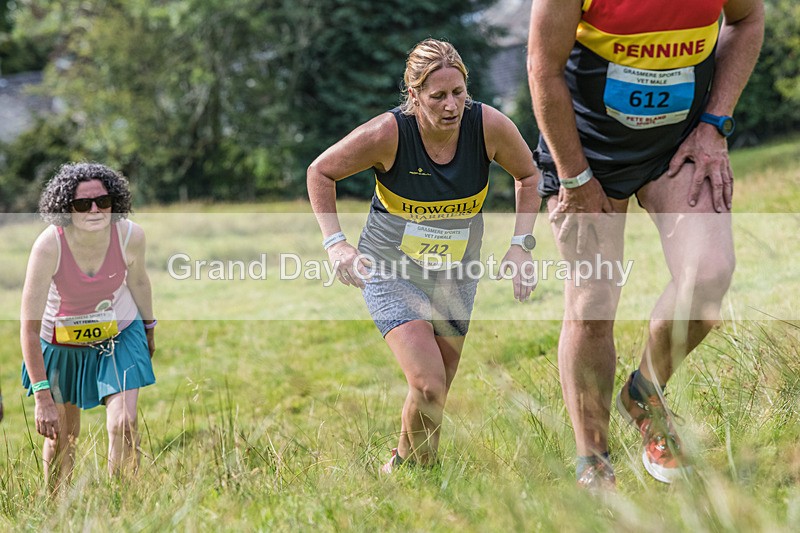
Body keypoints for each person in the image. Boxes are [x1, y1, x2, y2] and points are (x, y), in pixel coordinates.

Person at [527, 0, 764, 488]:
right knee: (593, 302)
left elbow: (747, 20)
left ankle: (644, 392)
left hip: (678, 147)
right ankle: (593, 461)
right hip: (586, 152)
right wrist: (574, 178)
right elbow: (542, 69)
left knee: (710, 275)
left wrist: (713, 123)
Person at [308, 38, 541, 471]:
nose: (451, 106)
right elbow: (320, 171)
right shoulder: (387, 133)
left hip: (456, 272)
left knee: (438, 387)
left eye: (459, 93)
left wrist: (520, 244)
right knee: (428, 381)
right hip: (392, 269)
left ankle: (412, 467)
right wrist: (335, 243)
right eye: (438, 96)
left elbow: (528, 174)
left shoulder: (488, 126)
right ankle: (413, 467)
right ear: (414, 96)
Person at [20, 162, 157, 491]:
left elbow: (139, 282)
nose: (95, 210)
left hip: (118, 335)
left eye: (104, 202)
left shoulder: (130, 236)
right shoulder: (49, 246)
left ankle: (121, 505)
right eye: (83, 204)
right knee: (62, 437)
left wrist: (149, 328)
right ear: (66, 209)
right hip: (60, 342)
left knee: (124, 422)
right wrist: (42, 397)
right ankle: (56, 511)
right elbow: (28, 326)